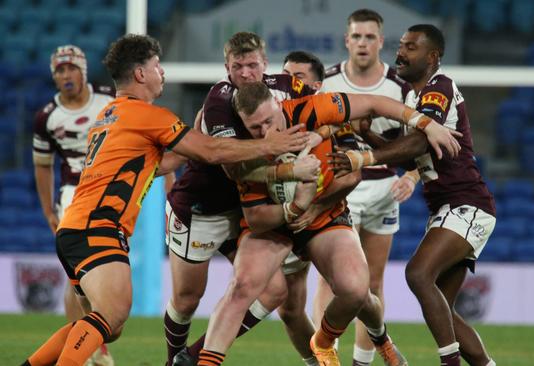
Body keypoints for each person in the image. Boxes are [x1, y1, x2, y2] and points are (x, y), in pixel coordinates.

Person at [21, 33, 310, 366]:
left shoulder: (110, 115)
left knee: (106, 326)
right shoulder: (149, 116)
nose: (163, 73)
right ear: (141, 74)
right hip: (97, 228)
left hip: (76, 227)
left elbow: (163, 163)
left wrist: (200, 137)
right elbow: (213, 151)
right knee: (114, 314)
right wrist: (269, 146)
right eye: (157, 66)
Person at [196, 81, 462, 366]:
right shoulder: (245, 149)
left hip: (325, 216)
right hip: (274, 224)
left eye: (268, 121)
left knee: (357, 291)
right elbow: (256, 219)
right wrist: (296, 206)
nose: (265, 133)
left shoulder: (311, 109)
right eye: (255, 128)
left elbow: (374, 103)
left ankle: (359, 338)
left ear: (277, 102)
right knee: (243, 286)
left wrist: (426, 123)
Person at [328, 24, 497, 366]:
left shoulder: (440, 86)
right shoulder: (411, 98)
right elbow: (412, 155)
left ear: (432, 57)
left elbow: (421, 140)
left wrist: (363, 157)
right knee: (443, 310)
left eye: (411, 47)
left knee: (417, 275)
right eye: (401, 45)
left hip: (467, 204)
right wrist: (371, 139)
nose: (400, 52)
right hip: (447, 208)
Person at [164, 33, 323, 366]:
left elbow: (329, 110)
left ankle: (192, 357)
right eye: (238, 66)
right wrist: (287, 164)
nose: (247, 73)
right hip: (201, 209)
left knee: (274, 290)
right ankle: (171, 360)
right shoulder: (218, 102)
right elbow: (234, 169)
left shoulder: (284, 86)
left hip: (243, 210)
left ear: (265, 63)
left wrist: (322, 133)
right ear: (227, 68)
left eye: (253, 65)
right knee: (187, 299)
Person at [314, 10, 420, 365]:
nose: (362, 43)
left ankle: (363, 362)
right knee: (334, 282)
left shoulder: (398, 87)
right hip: (338, 190)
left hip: (384, 188)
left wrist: (412, 177)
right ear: (346, 41)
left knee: (372, 285)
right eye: (356, 36)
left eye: (369, 37)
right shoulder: (326, 82)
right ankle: (327, 357)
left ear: (380, 41)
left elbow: (418, 144)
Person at [32, 44, 116, 366]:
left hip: (111, 194)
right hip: (74, 193)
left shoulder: (109, 98)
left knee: (101, 272)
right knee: (77, 275)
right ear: (54, 77)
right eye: (59, 71)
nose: (66, 76)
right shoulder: (47, 117)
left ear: (83, 70)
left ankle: (92, 339)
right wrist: (47, 210)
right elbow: (42, 165)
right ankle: (91, 349)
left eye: (71, 69)